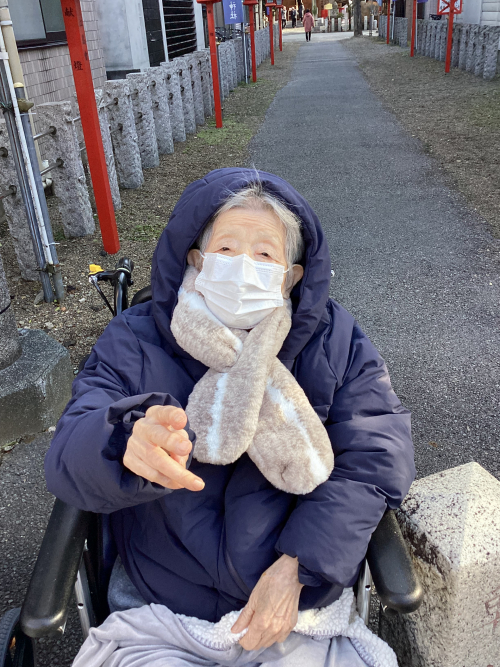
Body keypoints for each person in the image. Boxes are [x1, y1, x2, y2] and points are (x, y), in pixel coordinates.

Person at [46, 169, 414, 665]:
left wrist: (300, 566)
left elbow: (375, 455)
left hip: (296, 607)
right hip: (161, 610)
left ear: (291, 276)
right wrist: (122, 442)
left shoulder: (335, 342)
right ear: (196, 260)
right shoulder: (133, 339)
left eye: (265, 255)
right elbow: (71, 447)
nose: (243, 267)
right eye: (226, 248)